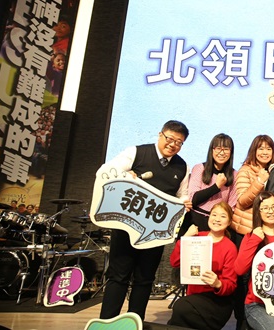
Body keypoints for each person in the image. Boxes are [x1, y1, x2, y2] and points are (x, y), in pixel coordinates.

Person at [97, 120, 191, 321]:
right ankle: (107, 322)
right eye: (170, 138)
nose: (173, 144)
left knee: (145, 279)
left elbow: (182, 195)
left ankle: (134, 322)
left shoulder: (182, 167)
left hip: (155, 233)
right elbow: (106, 171)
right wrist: (125, 176)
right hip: (126, 227)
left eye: (179, 142)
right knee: (118, 276)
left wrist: (184, 202)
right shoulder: (136, 153)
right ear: (160, 135)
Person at [234, 191, 274, 330]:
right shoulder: (250, 237)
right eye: (265, 208)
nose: (270, 211)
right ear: (258, 212)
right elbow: (240, 269)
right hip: (257, 304)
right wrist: (255, 240)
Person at [230, 134, 274, 330]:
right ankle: (242, 321)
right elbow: (242, 201)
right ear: (254, 151)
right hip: (246, 232)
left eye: (268, 148)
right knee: (244, 279)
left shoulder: (272, 171)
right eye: (261, 148)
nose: (265, 152)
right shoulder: (245, 171)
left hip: (264, 233)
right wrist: (259, 181)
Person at [168, 201, 237, 329]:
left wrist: (218, 283)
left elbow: (231, 285)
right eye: (214, 215)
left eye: (223, 216)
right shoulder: (197, 237)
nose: (217, 219)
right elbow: (175, 262)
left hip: (217, 302)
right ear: (209, 217)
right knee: (180, 317)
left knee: (180, 308)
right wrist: (185, 238)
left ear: (229, 222)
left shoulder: (230, 248)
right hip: (193, 299)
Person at [189, 133, 237, 230]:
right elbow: (193, 199)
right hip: (194, 220)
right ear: (212, 150)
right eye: (218, 148)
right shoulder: (199, 168)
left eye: (226, 149)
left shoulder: (234, 174)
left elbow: (231, 206)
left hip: (217, 224)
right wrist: (216, 186)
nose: (222, 153)